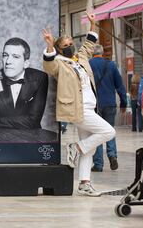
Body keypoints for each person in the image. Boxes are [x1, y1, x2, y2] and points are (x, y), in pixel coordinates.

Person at [42, 14, 115, 197]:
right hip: (77, 109)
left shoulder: (80, 58)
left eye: (70, 43)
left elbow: (89, 44)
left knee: (89, 150)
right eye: (64, 46)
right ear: (59, 49)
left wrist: (93, 24)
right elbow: (48, 66)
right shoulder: (59, 63)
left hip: (90, 107)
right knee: (109, 132)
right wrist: (50, 45)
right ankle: (76, 147)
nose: (69, 47)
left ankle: (84, 183)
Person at [0, 37, 48, 130]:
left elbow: (33, 120)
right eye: (5, 55)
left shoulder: (39, 78)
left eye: (15, 56)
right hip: (2, 137)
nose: (8, 61)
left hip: (32, 137)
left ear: (26, 63)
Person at [89, 45, 127, 172]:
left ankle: (98, 164)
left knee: (97, 132)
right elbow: (120, 86)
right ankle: (112, 155)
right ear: (103, 52)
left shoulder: (88, 65)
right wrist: (123, 103)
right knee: (110, 130)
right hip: (110, 103)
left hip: (95, 105)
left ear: (91, 53)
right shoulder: (111, 65)